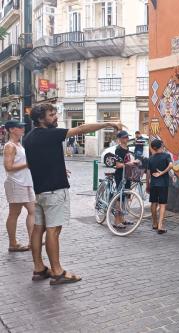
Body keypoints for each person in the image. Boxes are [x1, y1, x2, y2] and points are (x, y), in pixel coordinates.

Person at [23, 103, 123, 285]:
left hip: (39, 191)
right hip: (54, 191)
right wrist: (107, 124)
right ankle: (58, 272)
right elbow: (81, 128)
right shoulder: (51, 134)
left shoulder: (28, 138)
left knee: (38, 229)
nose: (55, 117)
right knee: (53, 230)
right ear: (40, 119)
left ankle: (38, 268)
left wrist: (58, 169)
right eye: (51, 114)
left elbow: (33, 163)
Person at [3, 120, 35, 252]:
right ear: (11, 130)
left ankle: (32, 242)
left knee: (33, 211)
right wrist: (28, 164)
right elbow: (8, 167)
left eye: (23, 127)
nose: (23, 129)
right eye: (19, 127)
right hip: (16, 183)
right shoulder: (10, 146)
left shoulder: (19, 144)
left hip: (25, 182)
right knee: (14, 213)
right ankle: (13, 243)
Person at [112, 130, 140, 229]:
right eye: (124, 137)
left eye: (127, 137)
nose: (126, 139)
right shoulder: (118, 149)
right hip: (120, 175)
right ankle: (116, 221)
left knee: (125, 197)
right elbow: (118, 165)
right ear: (119, 139)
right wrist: (131, 164)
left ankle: (122, 219)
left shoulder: (127, 148)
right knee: (119, 198)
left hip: (127, 174)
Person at [146, 139, 172, 234]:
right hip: (163, 184)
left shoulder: (151, 158)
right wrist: (162, 173)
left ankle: (154, 223)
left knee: (153, 203)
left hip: (153, 184)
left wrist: (147, 184)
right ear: (161, 146)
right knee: (162, 204)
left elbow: (148, 172)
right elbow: (171, 166)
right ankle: (160, 226)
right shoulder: (166, 156)